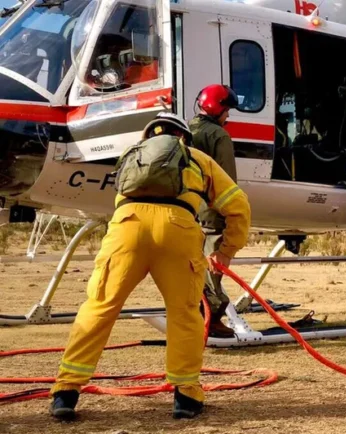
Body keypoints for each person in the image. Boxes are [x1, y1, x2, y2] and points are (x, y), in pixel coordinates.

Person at [48, 113, 251, 420]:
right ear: (183, 137)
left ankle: (66, 392)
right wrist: (225, 251)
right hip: (177, 230)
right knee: (184, 314)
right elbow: (239, 206)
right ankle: (186, 397)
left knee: (99, 307)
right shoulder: (196, 158)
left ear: (147, 138)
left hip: (127, 228)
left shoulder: (133, 157)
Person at [189, 84, 240, 338]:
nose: (228, 116)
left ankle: (192, 313)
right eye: (227, 110)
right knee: (213, 266)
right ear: (217, 109)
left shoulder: (185, 129)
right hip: (210, 213)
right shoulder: (219, 136)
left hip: (187, 211)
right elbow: (227, 181)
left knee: (191, 265)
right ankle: (212, 317)